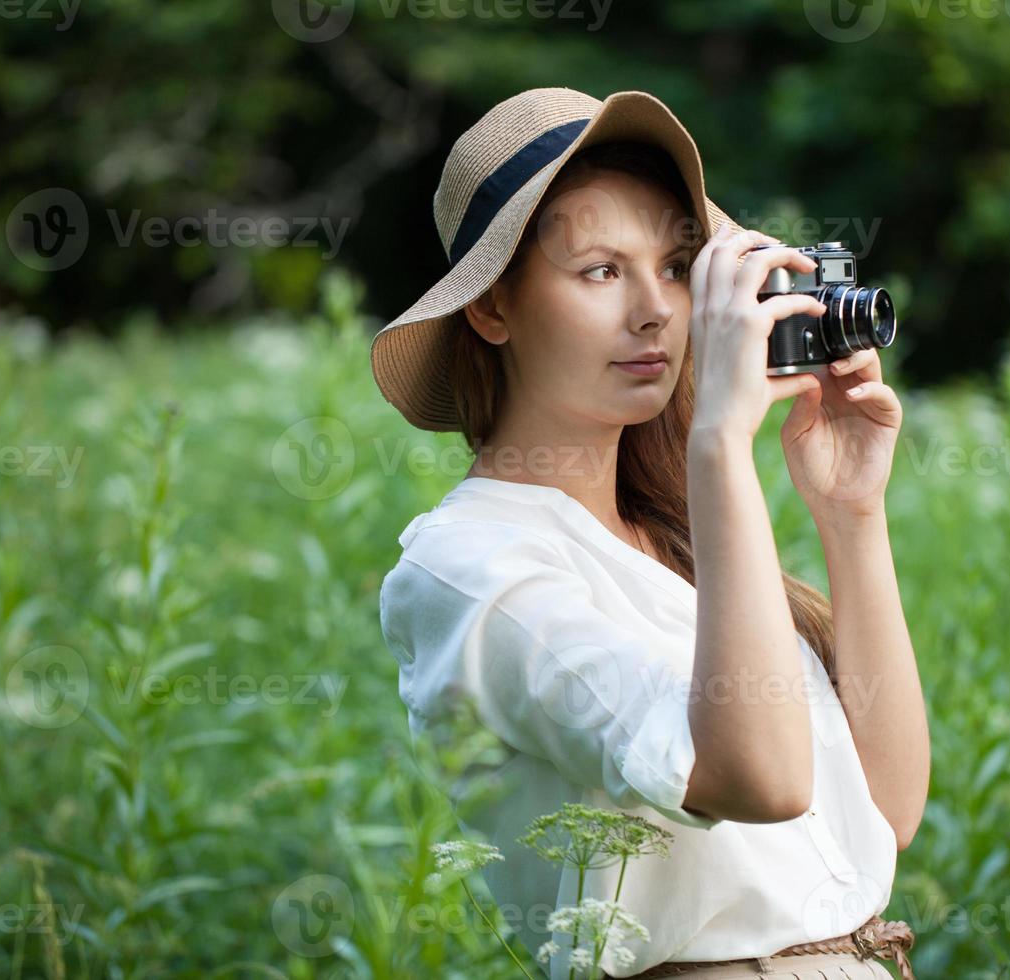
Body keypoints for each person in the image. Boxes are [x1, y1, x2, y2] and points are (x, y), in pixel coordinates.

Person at [374, 87, 929, 979]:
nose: (656, 312)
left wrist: (850, 514)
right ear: (491, 309)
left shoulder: (676, 543)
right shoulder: (470, 571)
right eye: (600, 270)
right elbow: (762, 783)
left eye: (677, 267)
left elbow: (889, 812)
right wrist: (721, 444)